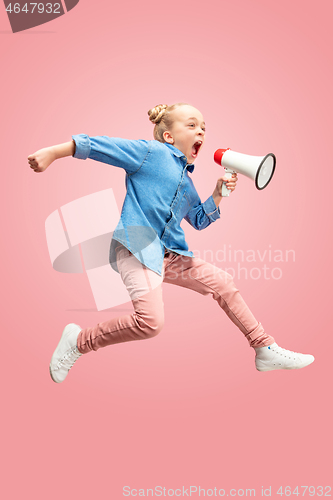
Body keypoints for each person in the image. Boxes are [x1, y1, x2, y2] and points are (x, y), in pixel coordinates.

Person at [28, 103, 314, 383]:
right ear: (168, 136)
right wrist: (54, 152)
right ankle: (78, 341)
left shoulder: (187, 183)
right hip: (137, 247)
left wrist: (217, 194)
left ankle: (264, 348)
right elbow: (104, 146)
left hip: (172, 255)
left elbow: (199, 220)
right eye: (192, 125)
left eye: (203, 127)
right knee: (150, 323)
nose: (200, 131)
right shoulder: (151, 153)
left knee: (223, 283)